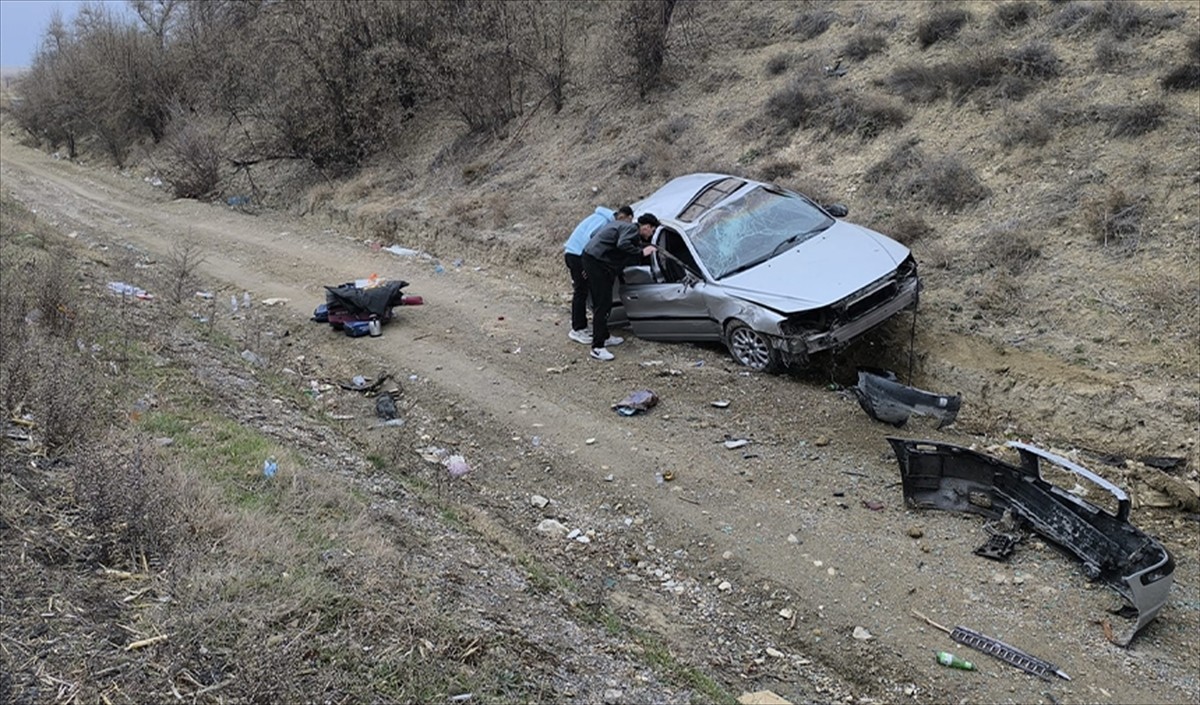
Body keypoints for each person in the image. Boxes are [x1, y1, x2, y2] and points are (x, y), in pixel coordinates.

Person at [581, 212, 660, 361]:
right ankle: (597, 347)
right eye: (652, 231)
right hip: (597, 262)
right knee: (602, 304)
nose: (651, 235)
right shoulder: (631, 230)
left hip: (593, 259)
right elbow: (622, 245)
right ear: (646, 227)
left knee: (605, 301)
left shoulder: (624, 227)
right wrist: (641, 252)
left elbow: (599, 238)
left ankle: (604, 336)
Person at [563, 205, 633, 344]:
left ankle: (598, 331)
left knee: (587, 291)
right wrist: (585, 265)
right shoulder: (602, 221)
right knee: (581, 291)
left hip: (581, 256)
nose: (628, 225)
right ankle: (578, 329)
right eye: (628, 221)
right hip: (576, 255)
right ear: (622, 217)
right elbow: (589, 240)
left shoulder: (606, 221)